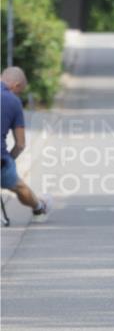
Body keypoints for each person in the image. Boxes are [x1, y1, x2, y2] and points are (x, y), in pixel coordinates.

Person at [1, 66, 52, 217]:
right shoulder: (14, 101)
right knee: (19, 187)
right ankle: (39, 206)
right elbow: (20, 144)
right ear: (16, 85)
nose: (18, 94)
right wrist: (9, 159)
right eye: (20, 91)